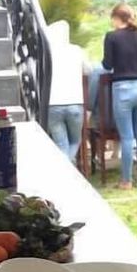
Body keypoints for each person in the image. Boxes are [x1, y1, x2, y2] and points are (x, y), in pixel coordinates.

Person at [102, 3, 137, 189]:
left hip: (122, 90)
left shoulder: (111, 36)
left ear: (117, 18)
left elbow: (107, 65)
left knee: (126, 137)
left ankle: (126, 181)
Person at [46, 20, 91, 164]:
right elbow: (88, 70)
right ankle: (69, 167)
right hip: (75, 103)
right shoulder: (76, 50)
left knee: (61, 144)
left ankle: (65, 168)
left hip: (52, 104)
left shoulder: (47, 53)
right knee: (75, 141)